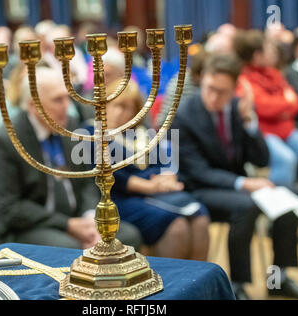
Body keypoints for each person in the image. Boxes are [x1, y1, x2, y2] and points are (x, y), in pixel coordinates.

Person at [172, 54, 298, 300]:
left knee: (287, 205)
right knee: (247, 206)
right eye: (210, 89)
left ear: (235, 90)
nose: (214, 97)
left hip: (236, 187)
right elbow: (196, 171)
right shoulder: (184, 115)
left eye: (222, 92)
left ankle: (278, 279)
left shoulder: (237, 109)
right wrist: (243, 183)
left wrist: (250, 121)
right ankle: (237, 285)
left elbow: (262, 159)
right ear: (203, 81)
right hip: (199, 188)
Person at [0, 67, 142, 252]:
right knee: (68, 248)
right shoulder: (9, 140)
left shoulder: (69, 125)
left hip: (75, 218)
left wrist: (88, 218)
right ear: (33, 105)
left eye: (67, 97)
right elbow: (8, 207)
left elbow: (87, 181)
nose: (67, 106)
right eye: (57, 100)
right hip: (31, 226)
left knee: (128, 235)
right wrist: (68, 225)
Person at [84, 79, 210, 260]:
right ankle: (172, 284)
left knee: (200, 217)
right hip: (116, 200)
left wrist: (167, 178)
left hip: (154, 195)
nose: (119, 112)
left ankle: (199, 283)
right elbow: (110, 175)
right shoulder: (91, 132)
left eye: (127, 107)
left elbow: (163, 162)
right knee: (177, 225)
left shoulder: (141, 134)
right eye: (115, 105)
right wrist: (150, 187)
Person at [234, 30, 298, 219]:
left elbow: (296, 103)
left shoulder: (274, 73)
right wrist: (284, 104)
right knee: (286, 159)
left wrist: (282, 106)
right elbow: (263, 108)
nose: (274, 53)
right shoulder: (242, 79)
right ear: (256, 54)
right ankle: (281, 215)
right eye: (268, 49)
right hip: (263, 135)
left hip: (286, 130)